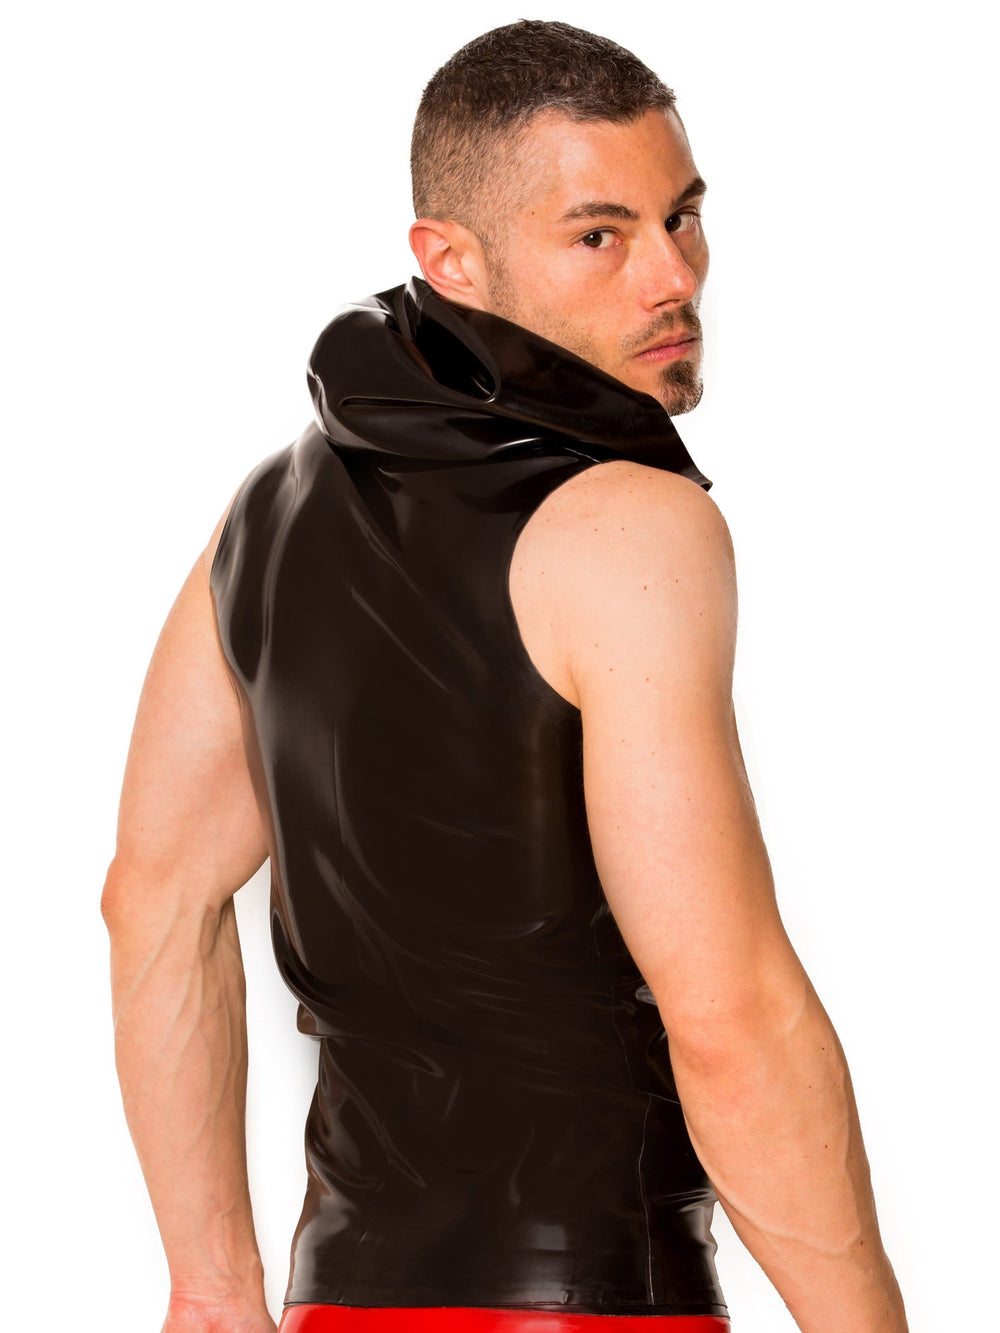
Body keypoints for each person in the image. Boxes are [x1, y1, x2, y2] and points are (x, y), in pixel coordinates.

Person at [102, 20, 907, 1333]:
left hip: (339, 1307)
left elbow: (155, 902)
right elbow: (729, 1016)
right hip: (592, 1309)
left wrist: (211, 1287)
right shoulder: (635, 526)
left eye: (683, 217)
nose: (673, 278)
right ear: (451, 261)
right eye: (600, 236)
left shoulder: (266, 517)